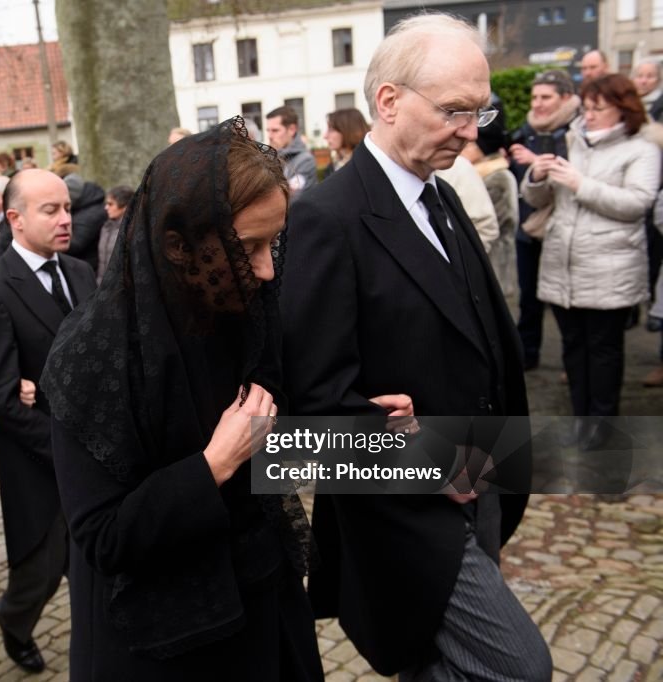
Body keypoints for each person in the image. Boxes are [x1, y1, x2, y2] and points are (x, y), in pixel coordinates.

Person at [282, 14, 551, 680]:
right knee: (520, 666)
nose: (472, 131)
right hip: (407, 515)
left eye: (480, 111)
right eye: (456, 111)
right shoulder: (325, 217)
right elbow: (312, 407)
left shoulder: (441, 194)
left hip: (482, 480)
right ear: (389, 101)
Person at [41, 118, 322, 681]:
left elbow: (272, 450)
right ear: (179, 246)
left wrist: (400, 449)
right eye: (249, 248)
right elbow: (101, 536)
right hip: (166, 647)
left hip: (263, 616)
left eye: (276, 243)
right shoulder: (92, 356)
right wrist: (212, 465)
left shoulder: (245, 314)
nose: (268, 269)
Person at [0, 169, 97, 674]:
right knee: (38, 573)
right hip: (39, 467)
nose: (66, 220)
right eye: (51, 211)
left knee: (94, 564)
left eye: (67, 208)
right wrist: (63, 446)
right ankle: (12, 621)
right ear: (15, 219)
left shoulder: (81, 273)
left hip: (96, 454)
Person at [521, 73, 662, 450]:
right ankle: (580, 418)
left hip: (609, 268)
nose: (591, 115)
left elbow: (637, 204)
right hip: (563, 264)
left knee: (603, 351)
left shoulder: (642, 150)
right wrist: (536, 176)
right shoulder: (572, 141)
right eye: (587, 107)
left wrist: (579, 183)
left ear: (623, 110)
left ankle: (602, 424)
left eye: (600, 108)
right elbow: (537, 201)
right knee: (572, 348)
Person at [509, 69, 581, 370]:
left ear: (565, 98)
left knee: (568, 302)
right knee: (528, 297)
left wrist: (537, 163)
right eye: (534, 96)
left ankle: (573, 363)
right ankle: (528, 354)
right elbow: (519, 180)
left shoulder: (579, 131)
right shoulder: (526, 130)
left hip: (563, 229)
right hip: (529, 227)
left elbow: (572, 178)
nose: (537, 103)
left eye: (545, 97)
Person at [462, 95, 518, 296]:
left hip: (493, 266)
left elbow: (495, 227)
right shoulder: (479, 172)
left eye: (470, 146)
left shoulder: (497, 178)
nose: (463, 149)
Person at [265, 106, 317, 201]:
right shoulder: (269, 157)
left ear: (292, 130)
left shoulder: (305, 160)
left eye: (275, 130)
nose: (270, 136)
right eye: (268, 130)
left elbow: (291, 199)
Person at [97, 184, 134, 284]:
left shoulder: (131, 230)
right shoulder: (106, 227)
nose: (106, 207)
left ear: (124, 206)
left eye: (110, 204)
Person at [321, 107, 369, 180]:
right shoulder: (332, 167)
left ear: (348, 130)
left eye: (331, 130)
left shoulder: (365, 167)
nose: (325, 136)